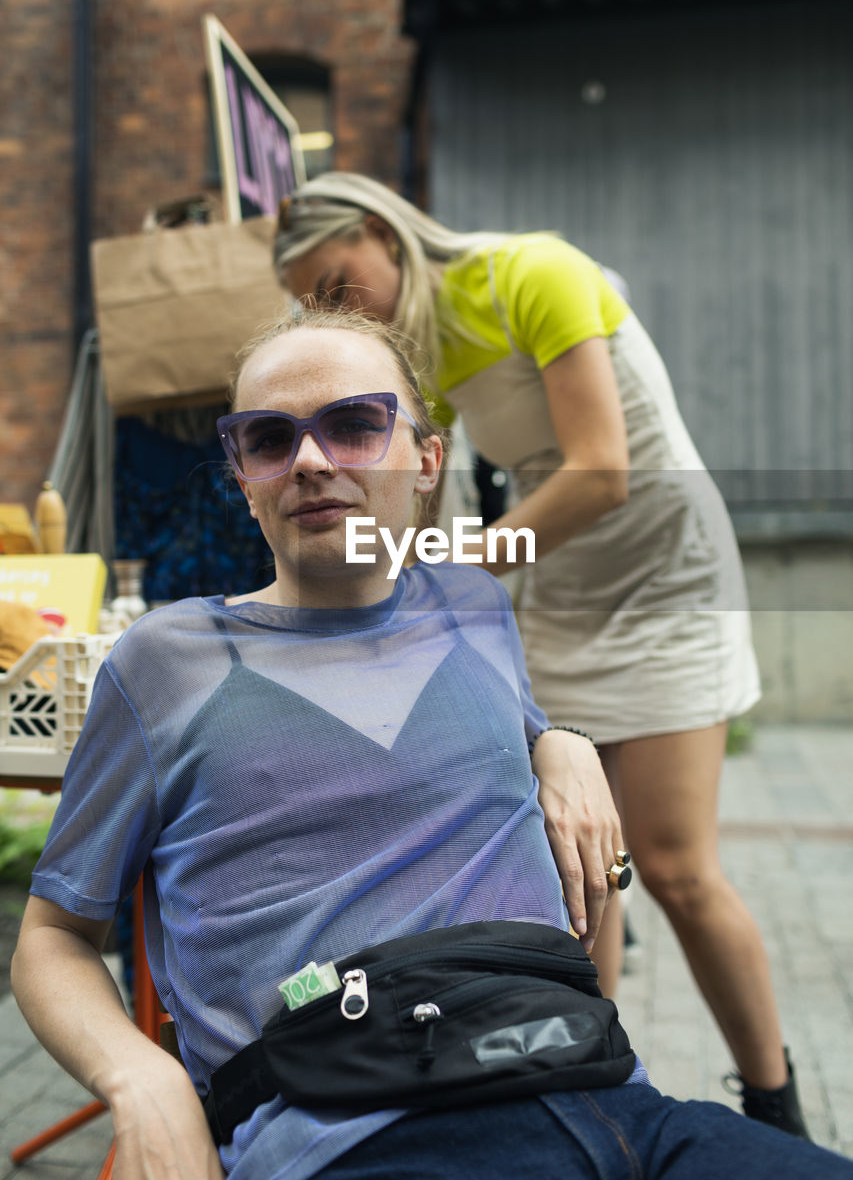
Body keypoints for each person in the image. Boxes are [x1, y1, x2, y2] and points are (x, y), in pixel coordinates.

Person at [14, 311, 848, 1180]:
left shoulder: (474, 609)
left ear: (426, 463)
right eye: (268, 438)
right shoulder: (167, 662)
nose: (308, 460)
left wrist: (561, 741)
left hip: (607, 1094)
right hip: (353, 1132)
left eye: (353, 425)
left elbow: (497, 739)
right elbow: (52, 933)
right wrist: (141, 1077)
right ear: (244, 477)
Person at [271, 174, 804, 1136]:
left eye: (337, 282)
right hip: (558, 587)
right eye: (316, 304)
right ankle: (591, 1094)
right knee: (580, 870)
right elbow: (418, 501)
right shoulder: (417, 349)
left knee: (675, 870)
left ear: (377, 232)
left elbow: (602, 472)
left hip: (662, 577)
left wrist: (452, 557)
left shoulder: (532, 273)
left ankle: (777, 1106)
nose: (339, 311)